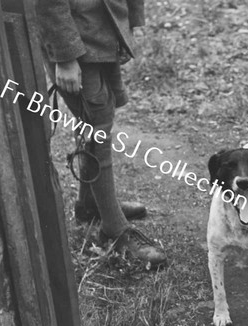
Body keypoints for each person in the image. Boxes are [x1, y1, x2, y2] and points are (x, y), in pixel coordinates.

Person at [36, 0, 168, 271]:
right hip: (76, 39)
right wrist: (65, 56)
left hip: (103, 31)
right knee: (96, 124)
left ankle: (90, 204)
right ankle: (113, 229)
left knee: (98, 115)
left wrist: (127, 25)